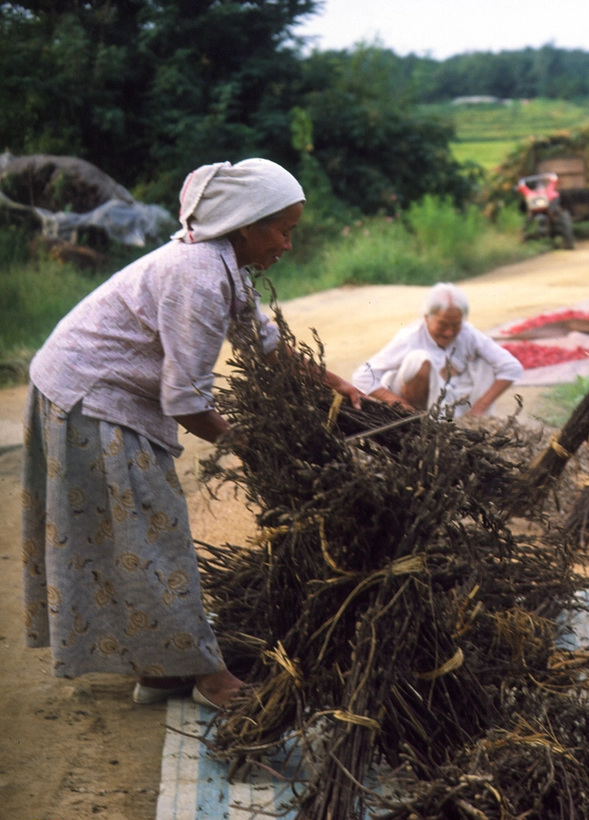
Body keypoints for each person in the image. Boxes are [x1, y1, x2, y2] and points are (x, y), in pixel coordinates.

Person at [21, 158, 363, 709]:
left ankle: (163, 671)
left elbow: (264, 345)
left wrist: (333, 383)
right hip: (89, 400)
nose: (288, 245)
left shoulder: (225, 264)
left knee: (136, 536)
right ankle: (209, 677)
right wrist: (250, 448)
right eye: (283, 230)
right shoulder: (199, 278)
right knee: (155, 535)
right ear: (245, 225)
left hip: (92, 395)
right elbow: (185, 401)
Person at [351, 283, 523, 419]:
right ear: (427, 317)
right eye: (442, 324)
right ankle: (418, 420)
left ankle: (469, 420)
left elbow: (511, 366)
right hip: (415, 402)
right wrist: (398, 403)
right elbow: (363, 376)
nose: (449, 332)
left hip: (455, 404)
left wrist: (479, 408)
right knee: (419, 359)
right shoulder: (410, 338)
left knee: (486, 361)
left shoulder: (468, 334)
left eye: (456, 325)